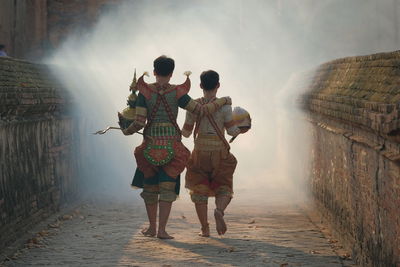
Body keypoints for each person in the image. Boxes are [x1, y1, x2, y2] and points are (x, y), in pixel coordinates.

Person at [120, 56, 231, 239]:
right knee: (167, 187)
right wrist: (223, 101)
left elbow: (139, 122)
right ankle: (162, 230)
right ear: (171, 73)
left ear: (154, 72)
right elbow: (201, 110)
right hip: (172, 145)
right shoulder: (178, 92)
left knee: (150, 188)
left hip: (150, 145)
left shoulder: (145, 92)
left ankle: (152, 228)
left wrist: (127, 130)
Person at [182, 70, 244, 237]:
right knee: (223, 185)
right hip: (220, 152)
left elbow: (186, 132)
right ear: (218, 85)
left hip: (200, 151)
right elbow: (231, 131)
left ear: (201, 86)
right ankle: (219, 210)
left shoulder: (193, 106)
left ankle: (205, 228)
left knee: (199, 189)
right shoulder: (225, 106)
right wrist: (241, 129)